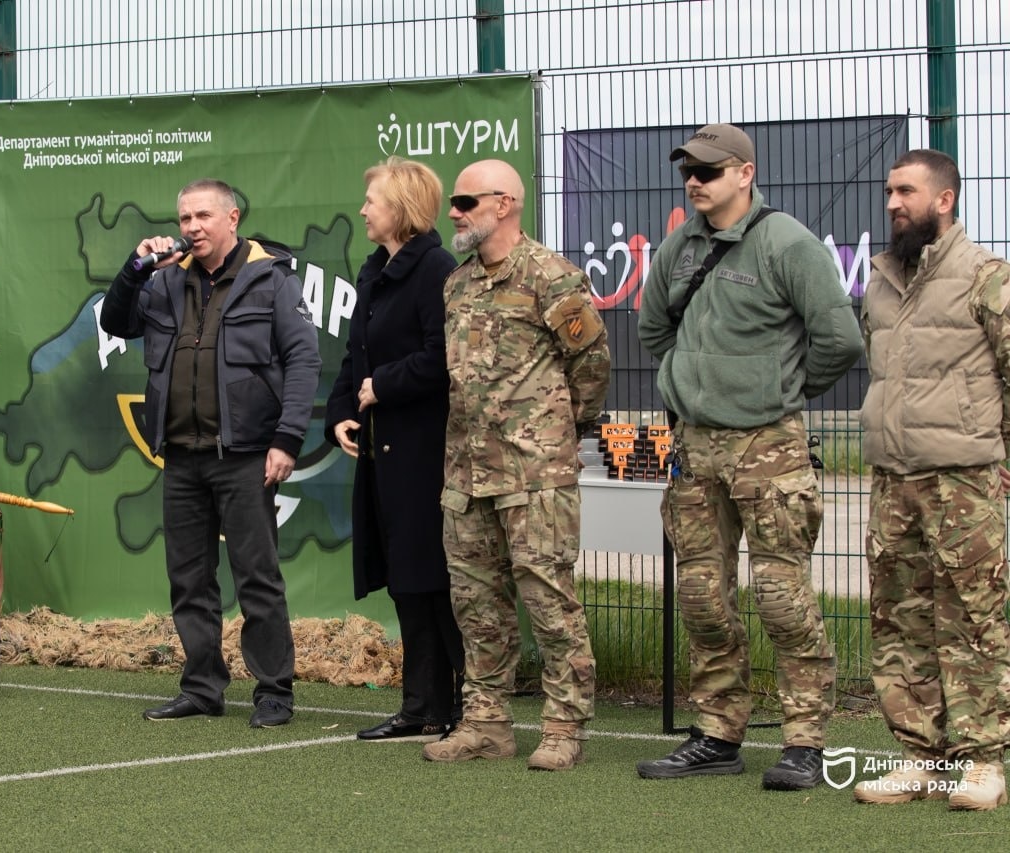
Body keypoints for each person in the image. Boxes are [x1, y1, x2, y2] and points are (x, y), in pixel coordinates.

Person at [635, 123, 863, 789]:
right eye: (689, 170)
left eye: (709, 169)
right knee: (704, 595)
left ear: (746, 173)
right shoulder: (680, 246)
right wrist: (693, 382)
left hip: (769, 447)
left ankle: (805, 743)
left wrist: (780, 389)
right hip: (695, 448)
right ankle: (716, 732)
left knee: (781, 596)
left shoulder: (786, 243)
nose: (695, 181)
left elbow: (839, 339)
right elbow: (653, 327)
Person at [99, 179, 320, 728]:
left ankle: (274, 691)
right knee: (189, 579)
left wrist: (287, 439)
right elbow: (115, 322)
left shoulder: (271, 278)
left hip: (246, 455)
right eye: (184, 219)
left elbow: (303, 361)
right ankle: (201, 687)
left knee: (257, 576)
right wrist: (135, 267)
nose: (191, 227)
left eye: (202, 216)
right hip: (180, 455)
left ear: (232, 218)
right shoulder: (164, 280)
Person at [421, 159, 611, 771]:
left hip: (534, 474)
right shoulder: (457, 284)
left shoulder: (552, 277)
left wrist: (559, 434)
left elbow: (591, 364)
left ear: (504, 204)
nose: (454, 212)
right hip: (467, 472)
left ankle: (562, 726)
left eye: (466, 201)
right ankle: (486, 723)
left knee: (549, 602)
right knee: (476, 606)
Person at [852, 149, 1010, 810]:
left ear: (944, 199)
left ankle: (982, 760)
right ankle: (919, 755)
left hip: (964, 479)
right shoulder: (883, 279)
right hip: (894, 478)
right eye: (890, 190)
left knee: (973, 617)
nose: (893, 202)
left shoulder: (985, 276)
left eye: (907, 191)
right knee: (900, 618)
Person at [324, 157, 463, 742]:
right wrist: (342, 414)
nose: (363, 210)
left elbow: (442, 357)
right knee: (407, 578)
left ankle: (455, 705)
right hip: (384, 450)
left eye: (373, 201)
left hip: (424, 451)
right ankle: (420, 706)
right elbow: (356, 357)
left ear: (401, 208)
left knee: (431, 578)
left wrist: (384, 386)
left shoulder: (435, 268)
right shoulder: (373, 270)